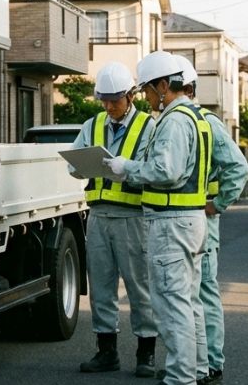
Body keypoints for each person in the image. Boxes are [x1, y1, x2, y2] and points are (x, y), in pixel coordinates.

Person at [102, 51, 211, 385]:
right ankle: (198, 369)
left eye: (149, 89)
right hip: (189, 220)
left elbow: (166, 171)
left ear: (164, 86)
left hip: (171, 223)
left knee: (172, 305)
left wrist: (127, 168)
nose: (146, 96)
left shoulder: (174, 120)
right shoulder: (195, 117)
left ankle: (181, 377)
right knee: (189, 303)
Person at [72, 62, 159, 378]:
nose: (109, 106)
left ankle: (146, 353)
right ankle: (106, 352)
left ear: (131, 95)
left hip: (133, 217)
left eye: (115, 100)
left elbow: (154, 169)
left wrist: (129, 169)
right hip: (98, 215)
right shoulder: (93, 124)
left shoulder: (149, 127)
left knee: (139, 287)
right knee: (101, 287)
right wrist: (78, 167)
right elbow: (75, 160)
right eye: (104, 100)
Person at [172, 55, 248, 385]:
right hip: (180, 220)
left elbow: (239, 168)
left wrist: (218, 204)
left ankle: (212, 362)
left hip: (202, 220)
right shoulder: (170, 122)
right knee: (186, 292)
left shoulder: (206, 121)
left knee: (202, 290)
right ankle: (193, 362)